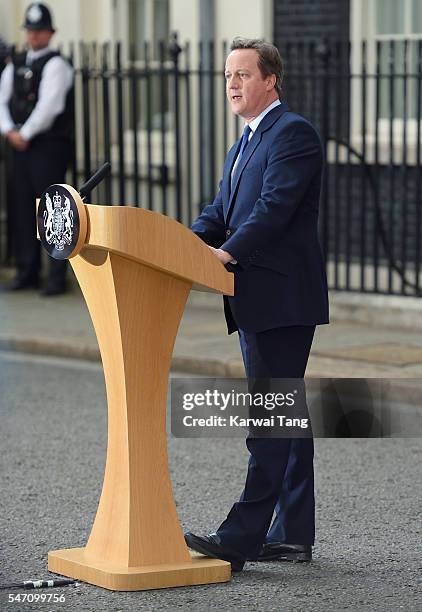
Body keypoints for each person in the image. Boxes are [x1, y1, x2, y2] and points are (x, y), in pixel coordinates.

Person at [185, 38, 329, 572]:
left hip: (283, 297)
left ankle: (242, 536)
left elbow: (272, 209)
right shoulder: (243, 142)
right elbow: (221, 209)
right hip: (255, 298)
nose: (231, 84)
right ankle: (292, 533)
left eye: (242, 75)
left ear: (271, 80)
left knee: (269, 417)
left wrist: (226, 251)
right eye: (228, 75)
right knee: (285, 413)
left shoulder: (292, 133)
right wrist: (184, 248)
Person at [0, 2, 74, 296]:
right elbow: (2, 100)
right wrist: (9, 131)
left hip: (47, 147)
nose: (34, 36)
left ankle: (55, 277)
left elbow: (50, 106)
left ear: (49, 33)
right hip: (19, 146)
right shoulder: (15, 64)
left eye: (39, 31)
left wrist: (25, 133)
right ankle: (26, 271)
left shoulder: (57, 65)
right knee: (20, 208)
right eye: (30, 31)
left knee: (53, 211)